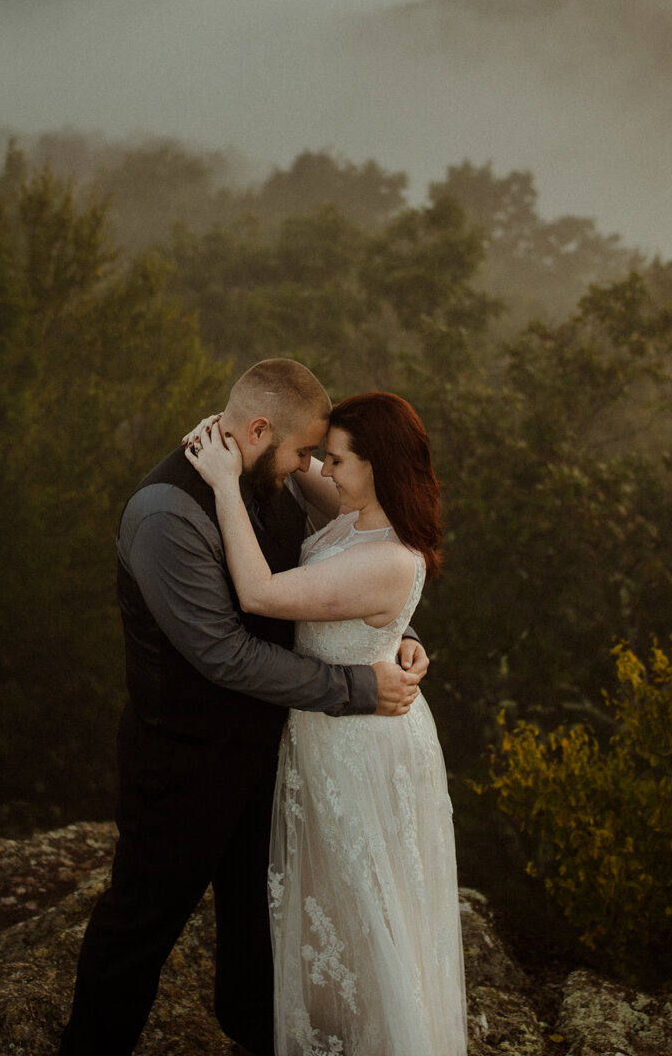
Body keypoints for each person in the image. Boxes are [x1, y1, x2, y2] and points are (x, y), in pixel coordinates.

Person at [58, 359, 430, 1056]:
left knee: (263, 929)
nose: (309, 467)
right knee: (139, 927)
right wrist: (358, 688)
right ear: (259, 430)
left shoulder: (272, 475)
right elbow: (224, 653)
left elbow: (337, 574)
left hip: (274, 750)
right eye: (301, 452)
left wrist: (394, 630)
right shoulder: (166, 515)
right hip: (183, 760)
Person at [187, 390, 467, 1056]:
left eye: (335, 458)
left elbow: (258, 592)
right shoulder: (351, 506)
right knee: (333, 910)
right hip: (329, 724)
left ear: (379, 466)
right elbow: (277, 452)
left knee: (367, 912)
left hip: (362, 743)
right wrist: (232, 442)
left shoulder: (391, 556)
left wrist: (225, 486)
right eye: (323, 455)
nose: (321, 467)